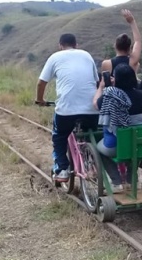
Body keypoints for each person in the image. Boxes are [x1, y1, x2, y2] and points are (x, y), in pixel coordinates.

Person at [35, 33, 99, 183]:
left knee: (59, 137)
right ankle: (92, 164)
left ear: (60, 45)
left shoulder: (55, 57)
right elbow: (96, 82)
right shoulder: (86, 55)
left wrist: (40, 100)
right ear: (76, 45)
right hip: (91, 109)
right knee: (89, 134)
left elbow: (41, 83)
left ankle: (62, 170)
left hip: (66, 110)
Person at [93, 64, 142, 191]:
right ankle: (131, 181)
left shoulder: (110, 96)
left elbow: (96, 104)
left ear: (116, 79)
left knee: (97, 149)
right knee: (132, 144)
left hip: (115, 146)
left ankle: (116, 182)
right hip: (138, 144)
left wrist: (102, 87)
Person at [100, 9, 142, 75]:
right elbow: (138, 41)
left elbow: (105, 82)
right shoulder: (133, 61)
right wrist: (132, 22)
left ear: (115, 46)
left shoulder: (106, 64)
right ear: (129, 48)